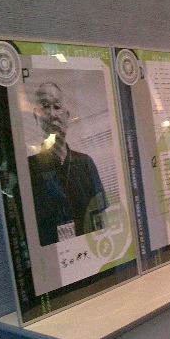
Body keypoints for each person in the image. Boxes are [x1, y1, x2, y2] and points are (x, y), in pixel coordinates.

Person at [28, 82, 108, 246]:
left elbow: (101, 220)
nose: (52, 114)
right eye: (45, 107)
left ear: (67, 116)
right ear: (37, 116)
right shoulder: (28, 169)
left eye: (57, 107)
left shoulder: (85, 163)